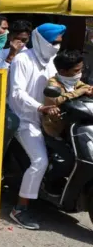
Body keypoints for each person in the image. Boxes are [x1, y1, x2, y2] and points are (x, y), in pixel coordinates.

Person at [8, 23, 66, 230]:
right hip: (24, 120)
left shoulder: (51, 61)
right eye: (54, 42)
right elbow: (17, 93)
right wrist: (39, 107)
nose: (57, 47)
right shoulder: (23, 59)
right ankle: (20, 208)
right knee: (40, 161)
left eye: (59, 43)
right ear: (41, 41)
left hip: (48, 119)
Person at [41, 50, 90, 187]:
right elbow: (55, 100)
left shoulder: (73, 81)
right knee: (68, 160)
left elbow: (83, 87)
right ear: (63, 71)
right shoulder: (53, 83)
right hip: (54, 130)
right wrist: (79, 92)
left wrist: (88, 90)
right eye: (76, 70)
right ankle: (49, 181)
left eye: (81, 69)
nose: (80, 72)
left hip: (73, 128)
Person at [0, 20, 32, 89]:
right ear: (10, 37)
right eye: (17, 39)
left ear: (28, 38)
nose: (21, 43)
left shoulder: (31, 55)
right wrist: (11, 55)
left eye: (24, 40)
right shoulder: (0, 54)